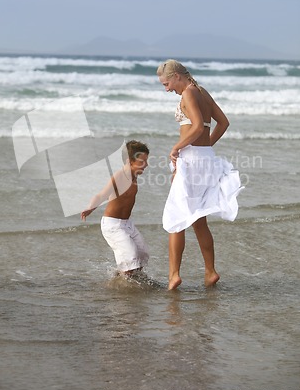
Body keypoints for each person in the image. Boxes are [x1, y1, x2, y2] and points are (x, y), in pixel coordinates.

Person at [157, 59, 243, 290]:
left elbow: (196, 127)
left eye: (166, 84)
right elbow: (223, 123)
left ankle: (174, 276)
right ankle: (210, 271)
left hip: (192, 160)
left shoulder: (188, 93)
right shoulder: (202, 91)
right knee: (199, 220)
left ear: (176, 76)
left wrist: (177, 148)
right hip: (205, 158)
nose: (167, 89)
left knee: (176, 220)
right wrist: (207, 147)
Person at [81, 140, 150, 276]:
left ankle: (130, 279)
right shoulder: (120, 176)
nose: (146, 165)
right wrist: (90, 208)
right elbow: (102, 194)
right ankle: (123, 285)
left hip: (126, 224)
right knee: (130, 256)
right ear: (129, 161)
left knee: (142, 253)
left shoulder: (134, 177)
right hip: (112, 225)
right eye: (142, 162)